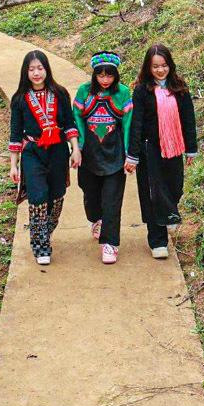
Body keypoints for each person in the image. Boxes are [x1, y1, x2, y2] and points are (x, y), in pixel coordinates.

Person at [7, 49, 78, 266]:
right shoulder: (19, 99)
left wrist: (75, 149)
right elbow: (15, 133)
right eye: (31, 69)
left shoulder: (60, 94)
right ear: (25, 72)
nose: (36, 73)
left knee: (56, 196)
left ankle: (44, 233)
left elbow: (69, 123)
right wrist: (14, 165)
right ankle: (40, 246)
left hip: (57, 151)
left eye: (40, 68)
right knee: (38, 195)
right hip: (32, 153)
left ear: (46, 69)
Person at [126, 43, 197, 259]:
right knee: (153, 193)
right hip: (150, 149)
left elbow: (188, 120)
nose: (160, 70)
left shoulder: (179, 88)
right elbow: (136, 123)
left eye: (164, 65)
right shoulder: (141, 90)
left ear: (170, 65)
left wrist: (191, 149)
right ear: (148, 67)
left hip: (174, 147)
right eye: (155, 66)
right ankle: (157, 240)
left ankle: (169, 213)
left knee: (174, 187)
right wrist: (133, 155)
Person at [71, 51, 134, 264]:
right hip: (90, 154)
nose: (105, 80)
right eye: (101, 75)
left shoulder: (123, 93)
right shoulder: (84, 92)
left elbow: (127, 124)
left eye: (109, 76)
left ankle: (111, 243)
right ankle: (95, 219)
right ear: (94, 75)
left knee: (112, 200)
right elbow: (76, 118)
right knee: (90, 193)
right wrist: (77, 147)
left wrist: (129, 154)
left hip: (114, 153)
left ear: (116, 76)